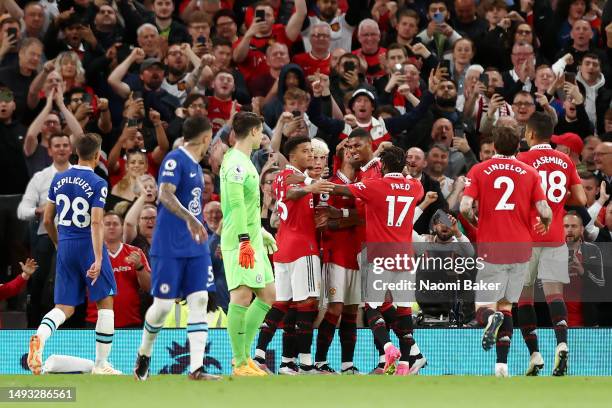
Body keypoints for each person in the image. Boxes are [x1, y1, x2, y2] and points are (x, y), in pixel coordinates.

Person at [460, 126, 552, 378]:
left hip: (492, 246)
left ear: (495, 145)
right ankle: (501, 365)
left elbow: (465, 206)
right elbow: (545, 210)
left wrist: (478, 222)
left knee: (483, 308)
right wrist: (545, 224)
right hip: (521, 248)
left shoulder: (479, 170)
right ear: (518, 146)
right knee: (507, 306)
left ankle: (490, 320)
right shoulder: (530, 172)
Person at [133, 117, 219, 381]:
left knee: (200, 300)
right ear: (206, 137)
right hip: (169, 244)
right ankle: (144, 354)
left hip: (195, 245)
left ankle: (196, 369)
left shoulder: (194, 164)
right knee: (163, 306)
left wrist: (197, 224)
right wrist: (192, 219)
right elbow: (165, 194)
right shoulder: (175, 159)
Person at [28, 133, 119, 376]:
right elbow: (97, 222)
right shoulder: (99, 182)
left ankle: (39, 338)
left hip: (66, 245)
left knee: (64, 307)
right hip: (88, 246)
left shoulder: (58, 178)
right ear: (98, 155)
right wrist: (99, 258)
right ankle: (101, 365)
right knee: (105, 303)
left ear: (75, 152)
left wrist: (59, 243)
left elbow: (47, 219)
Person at [331, 145, 424, 376]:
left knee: (372, 307)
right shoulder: (415, 187)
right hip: (404, 258)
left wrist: (315, 186)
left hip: (379, 256)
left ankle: (387, 347)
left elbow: (342, 190)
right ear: (403, 164)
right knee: (403, 311)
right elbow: (411, 181)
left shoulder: (374, 186)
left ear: (382, 165)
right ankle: (405, 365)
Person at [515, 112, 586, 376]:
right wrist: (558, 201)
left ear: (530, 134)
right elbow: (580, 198)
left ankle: (535, 356)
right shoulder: (564, 160)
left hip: (526, 237)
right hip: (555, 236)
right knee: (555, 295)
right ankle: (562, 344)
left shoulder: (521, 160)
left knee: (524, 299)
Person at [219, 112, 279, 376]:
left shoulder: (243, 160)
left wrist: (260, 232)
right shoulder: (237, 164)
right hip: (241, 240)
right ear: (254, 131)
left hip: (252, 237)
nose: (263, 136)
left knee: (268, 295)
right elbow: (234, 205)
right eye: (262, 131)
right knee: (242, 297)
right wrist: (245, 239)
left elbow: (246, 205)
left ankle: (244, 358)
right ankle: (240, 360)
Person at [17, 133, 72, 326]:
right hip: (44, 237)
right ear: (49, 150)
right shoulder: (40, 178)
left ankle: (73, 328)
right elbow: (22, 211)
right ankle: (34, 327)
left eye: (65, 145)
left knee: (71, 284)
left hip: (73, 238)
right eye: (57, 145)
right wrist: (38, 210)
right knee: (39, 285)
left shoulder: (81, 176)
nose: (62, 149)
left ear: (71, 149)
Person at [85, 212, 151, 329]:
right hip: (96, 322)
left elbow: (149, 287)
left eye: (115, 224)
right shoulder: (89, 254)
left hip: (130, 323)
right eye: (107, 224)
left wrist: (139, 266)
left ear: (122, 229)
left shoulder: (135, 252)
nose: (111, 227)